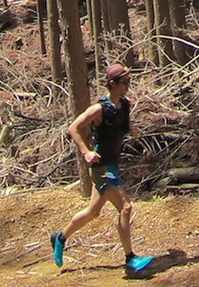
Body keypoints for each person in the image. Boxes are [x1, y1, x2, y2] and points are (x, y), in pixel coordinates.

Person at [50, 64, 153, 275]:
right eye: (124, 83)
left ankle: (60, 238)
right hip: (101, 167)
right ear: (113, 84)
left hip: (113, 164)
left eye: (129, 82)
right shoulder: (98, 109)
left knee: (93, 212)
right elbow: (73, 128)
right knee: (125, 207)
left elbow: (121, 128)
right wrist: (86, 152)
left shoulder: (124, 105)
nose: (128, 86)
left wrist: (131, 130)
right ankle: (130, 259)